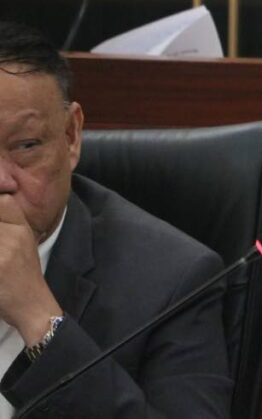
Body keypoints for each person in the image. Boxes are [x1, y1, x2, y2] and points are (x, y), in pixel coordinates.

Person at [0, 21, 231, 417]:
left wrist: (40, 318)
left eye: (25, 146)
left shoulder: (174, 281)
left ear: (72, 136)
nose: (2, 181)